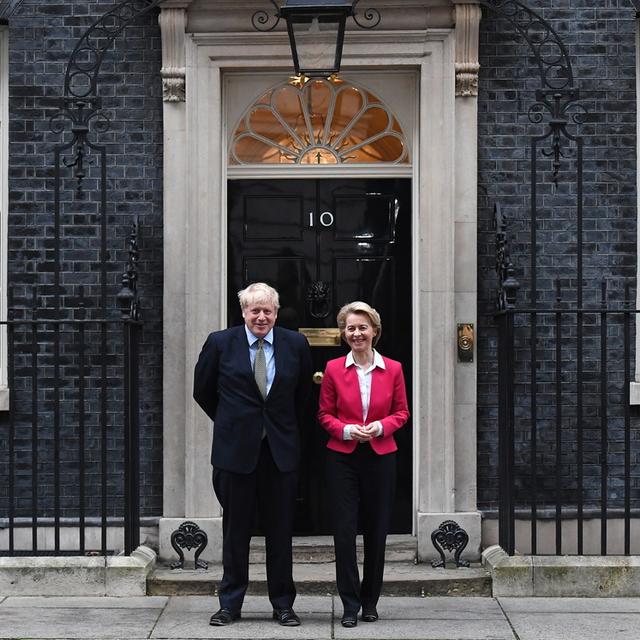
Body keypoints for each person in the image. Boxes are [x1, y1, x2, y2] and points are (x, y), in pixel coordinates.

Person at [193, 282, 312, 627]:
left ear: (276, 312)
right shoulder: (220, 343)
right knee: (236, 532)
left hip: (279, 453)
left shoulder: (295, 344)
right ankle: (230, 604)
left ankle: (283, 605)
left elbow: (303, 396)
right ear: (243, 312)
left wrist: (277, 427)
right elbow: (203, 391)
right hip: (235, 453)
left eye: (267, 310)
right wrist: (233, 422)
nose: (261, 316)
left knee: (280, 531)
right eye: (254, 310)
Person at [317, 301, 409, 628]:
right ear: (344, 334)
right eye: (351, 328)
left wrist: (381, 427)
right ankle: (350, 604)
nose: (357, 333)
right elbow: (324, 414)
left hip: (381, 456)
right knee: (344, 532)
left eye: (363, 327)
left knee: (376, 530)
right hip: (342, 458)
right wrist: (345, 429)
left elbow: (402, 412)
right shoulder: (332, 369)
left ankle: (370, 601)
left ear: (375, 332)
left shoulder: (394, 369)